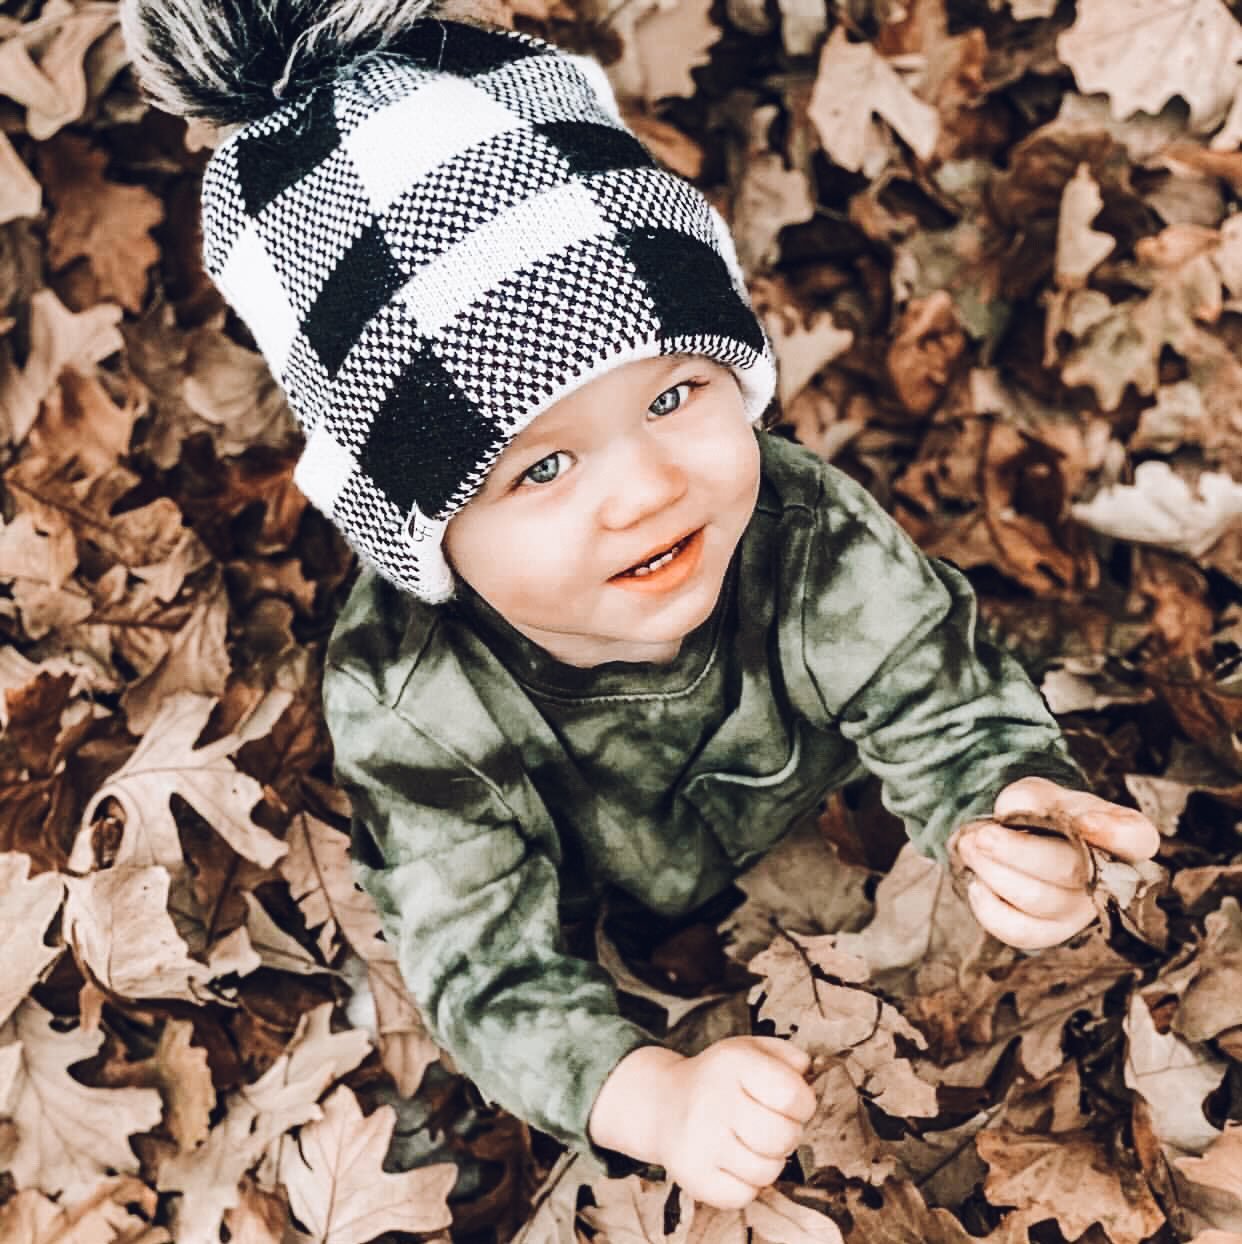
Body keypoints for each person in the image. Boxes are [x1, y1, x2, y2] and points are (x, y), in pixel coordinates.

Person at [119, 0, 1161, 1212]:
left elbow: (932, 681)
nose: (651, 488)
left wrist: (1012, 806)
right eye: (542, 466)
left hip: (802, 818)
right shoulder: (418, 700)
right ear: (422, 527)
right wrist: (650, 1091)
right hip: (602, 899)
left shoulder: (791, 517)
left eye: (673, 394)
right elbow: (482, 962)